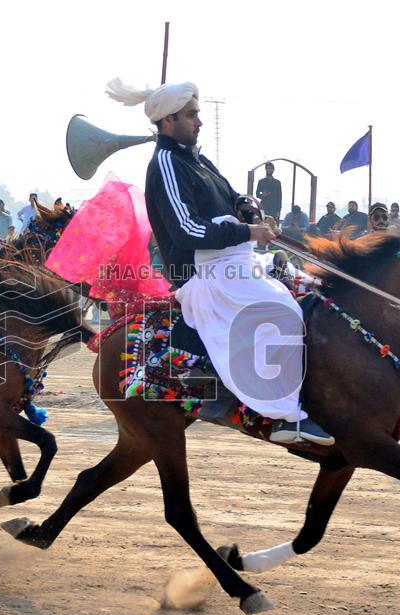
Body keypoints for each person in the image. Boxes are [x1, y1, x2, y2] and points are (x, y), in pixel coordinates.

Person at [105, 76, 333, 445]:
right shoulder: (165, 163)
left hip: (236, 262)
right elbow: (187, 231)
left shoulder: (197, 159)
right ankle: (280, 417)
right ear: (168, 121)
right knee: (279, 309)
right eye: (192, 115)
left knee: (310, 291)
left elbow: (231, 196)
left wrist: (247, 207)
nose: (198, 121)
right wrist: (249, 233)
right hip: (205, 275)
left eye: (196, 114)